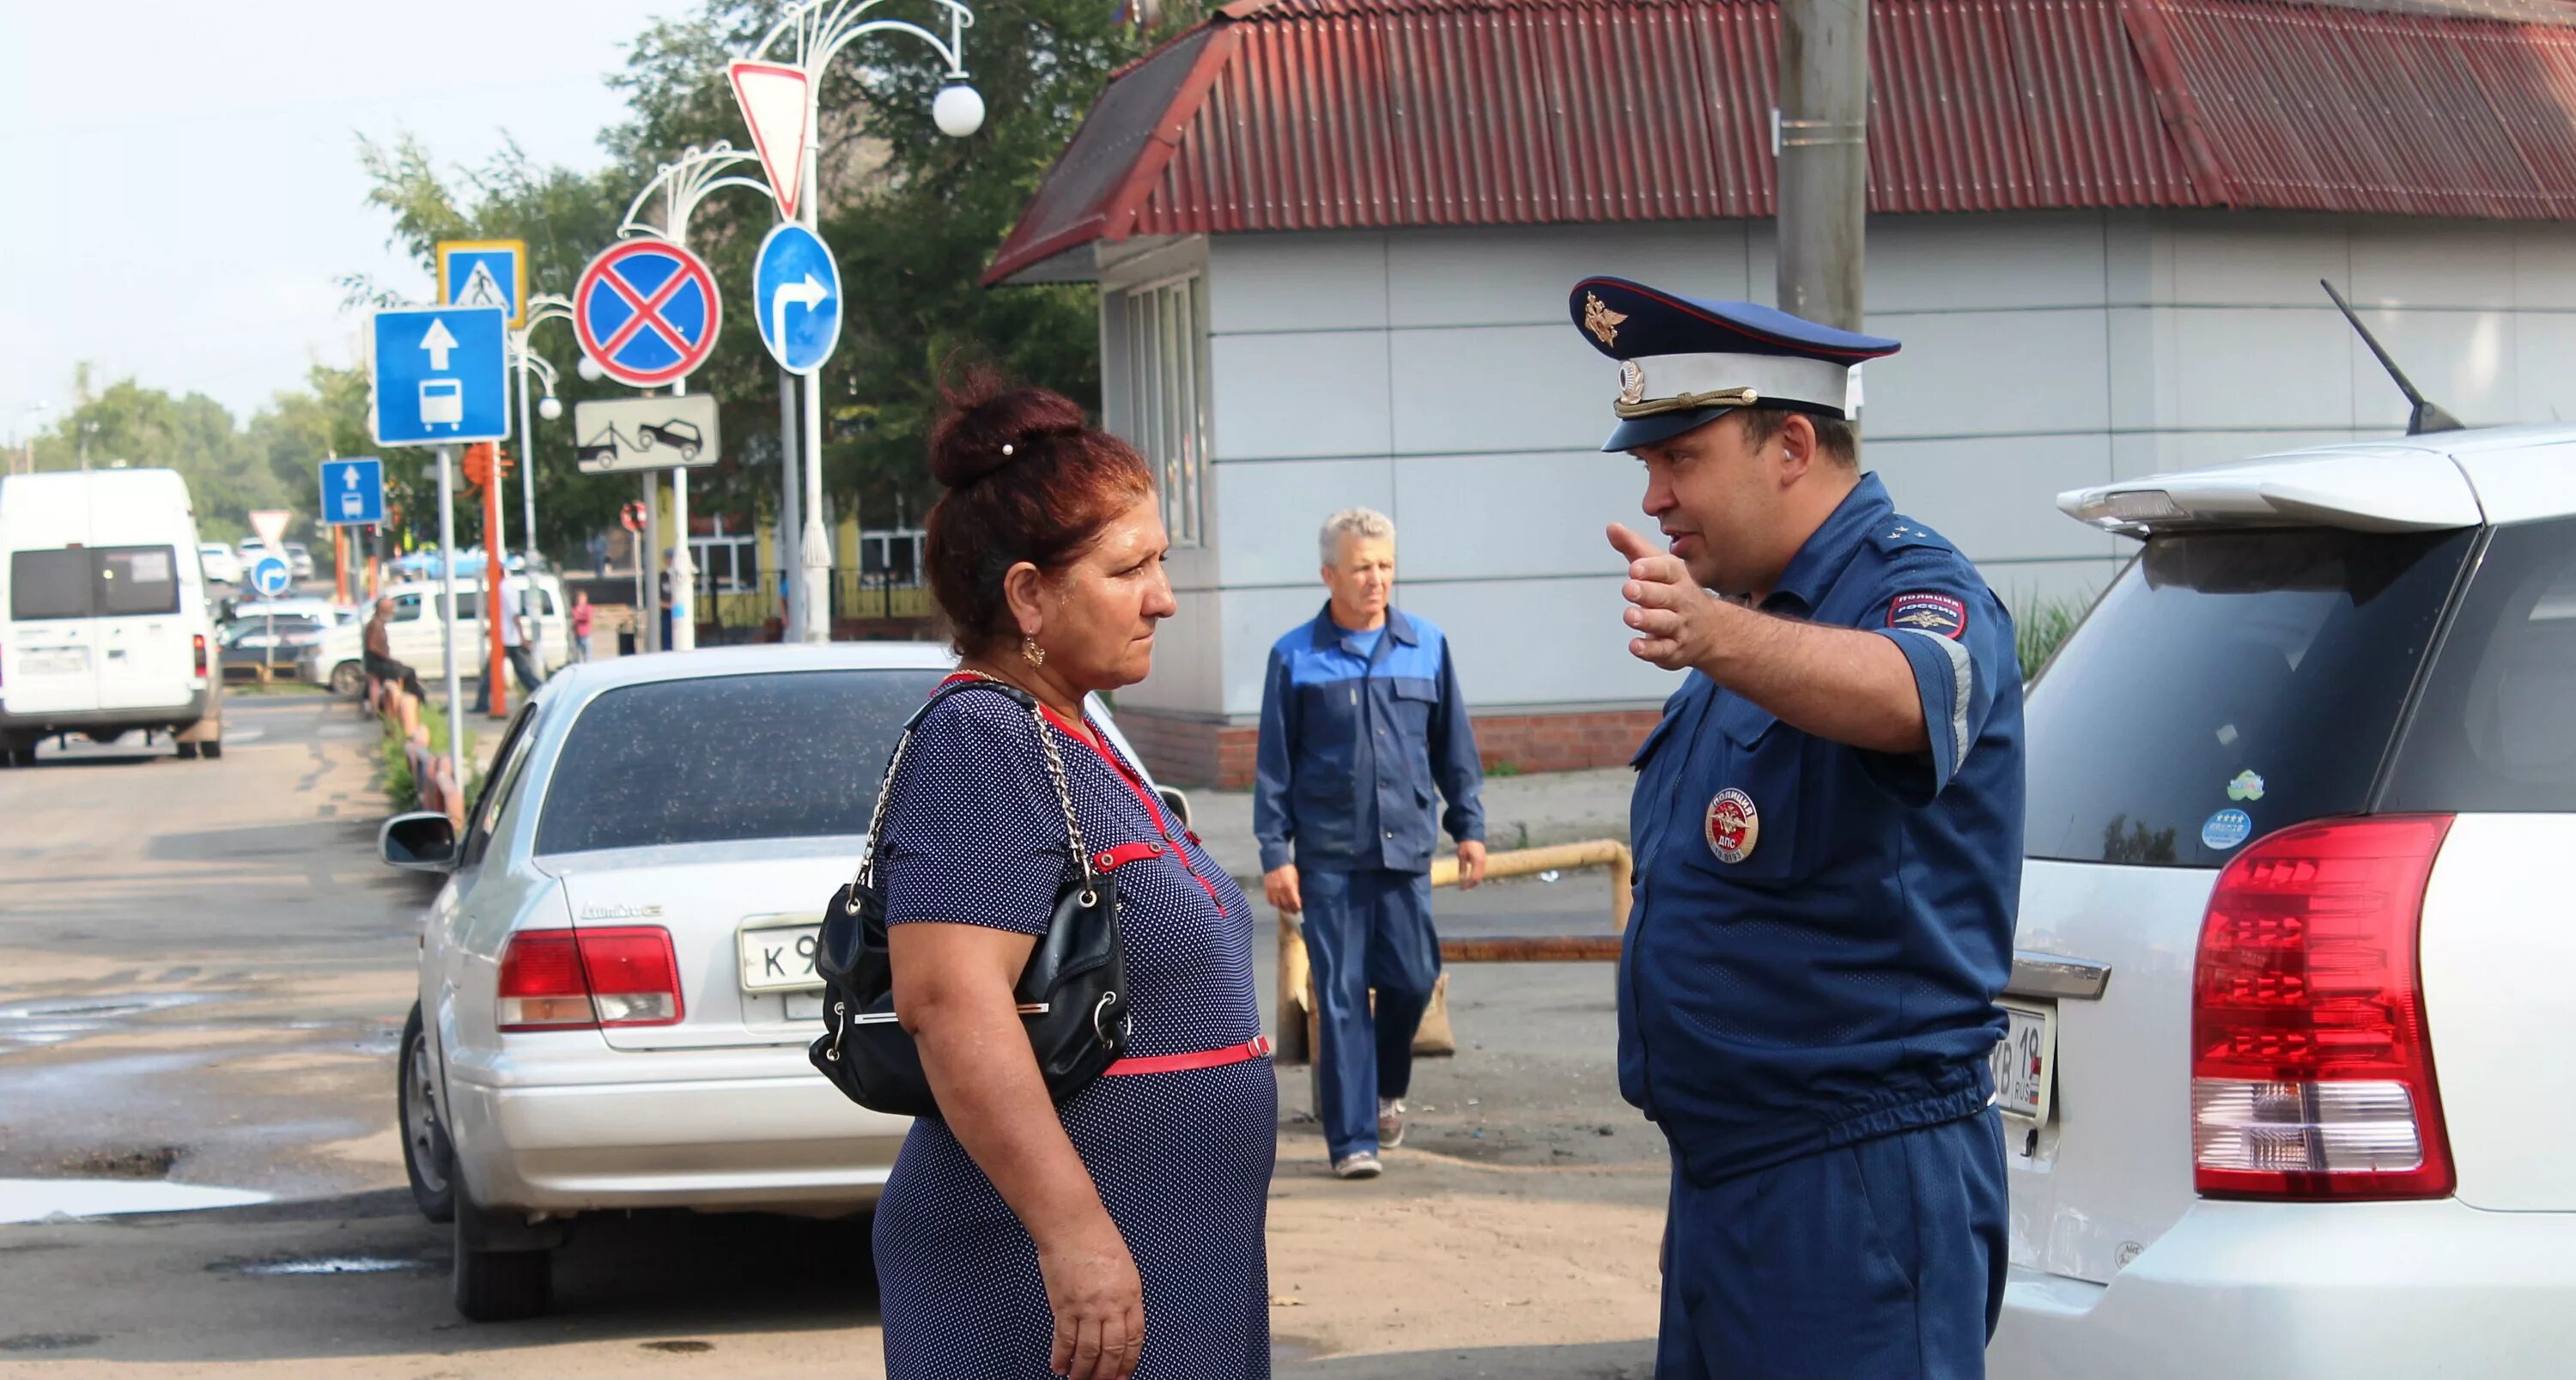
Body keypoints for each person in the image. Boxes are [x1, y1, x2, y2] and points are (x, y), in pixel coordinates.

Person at [1564, 277, 2024, 1378]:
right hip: (1735, 1180)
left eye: (1682, 458)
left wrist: (1714, 631)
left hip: (1861, 1180)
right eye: (1647, 465)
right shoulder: (1758, 615)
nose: (1660, 494)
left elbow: (1912, 692)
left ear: (1791, 445)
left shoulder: (1910, 582)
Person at [869, 373, 1272, 1380]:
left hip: (1165, 1254)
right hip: (1051, 1277)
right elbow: (951, 1002)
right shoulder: (980, 737)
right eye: (1129, 567)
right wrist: (1077, 1236)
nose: (1164, 597)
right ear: (1029, 593)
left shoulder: (1074, 730)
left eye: (1161, 561)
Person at [1254, 508, 1488, 1181]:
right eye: (1362, 567)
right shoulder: (1294, 656)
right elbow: (1275, 765)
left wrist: (1468, 826)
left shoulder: (1428, 645)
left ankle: (1387, 1090)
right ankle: (1352, 1138)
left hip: (1406, 849)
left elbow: (1455, 749)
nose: (1376, 579)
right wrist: (1276, 852)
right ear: (1329, 574)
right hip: (1328, 855)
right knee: (1342, 994)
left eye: (1385, 565)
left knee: (1413, 978)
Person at [569, 590, 594, 663]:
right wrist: (580, 616)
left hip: (586, 635)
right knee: (577, 656)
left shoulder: (588, 608)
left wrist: (579, 617)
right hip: (577, 635)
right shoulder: (574, 608)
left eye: (582, 598)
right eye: (579, 599)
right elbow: (574, 617)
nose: (580, 600)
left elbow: (588, 619)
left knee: (588, 656)